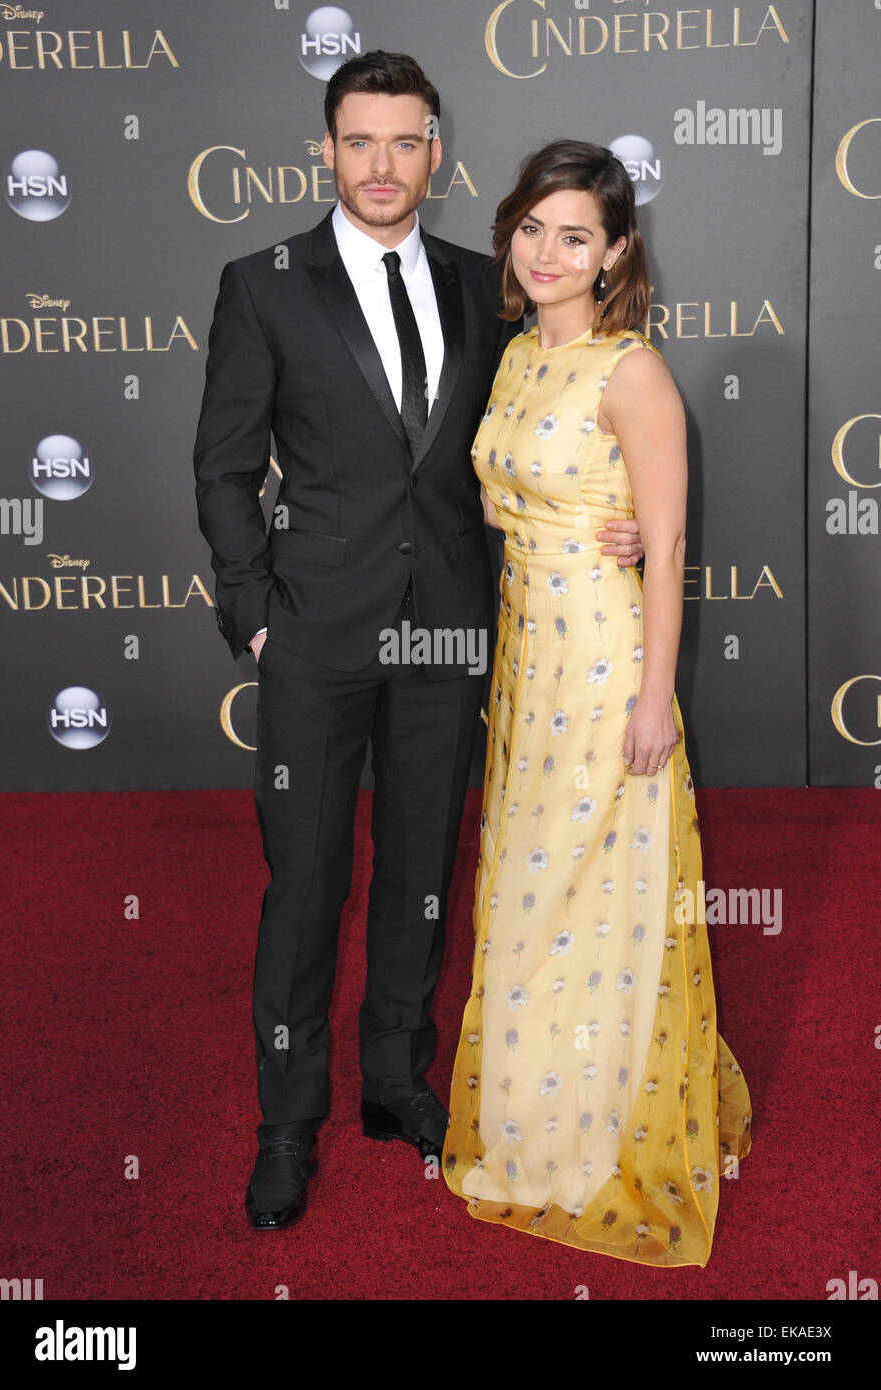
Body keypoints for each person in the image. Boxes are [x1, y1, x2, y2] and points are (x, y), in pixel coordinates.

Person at [193, 56, 643, 1233]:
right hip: (312, 636)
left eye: (405, 142)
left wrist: (624, 506)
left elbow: (544, 421)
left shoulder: (475, 284)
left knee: (419, 873)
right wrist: (253, 613)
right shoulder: (263, 283)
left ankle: (395, 1079)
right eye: (360, 143)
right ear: (326, 151)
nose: (382, 166)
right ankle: (287, 1121)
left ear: (434, 149)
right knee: (305, 883)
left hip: (450, 627)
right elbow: (224, 466)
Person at [442, 140, 752, 1266]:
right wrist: (584, 521)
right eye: (531, 228)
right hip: (529, 659)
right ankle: (532, 1108)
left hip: (607, 660)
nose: (547, 251)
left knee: (602, 886)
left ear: (614, 251)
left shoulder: (632, 371)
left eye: (574, 234)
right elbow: (506, 501)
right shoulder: (518, 354)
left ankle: (595, 1120)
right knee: (528, 885)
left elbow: (663, 545)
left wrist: (653, 697)